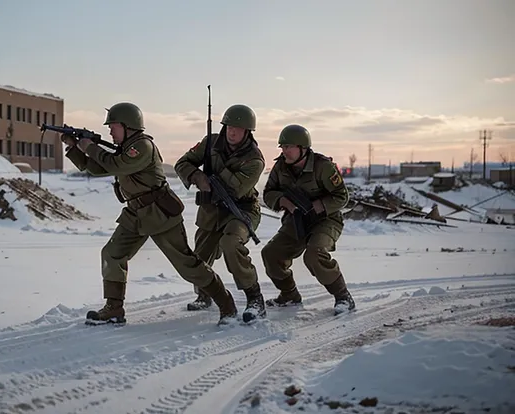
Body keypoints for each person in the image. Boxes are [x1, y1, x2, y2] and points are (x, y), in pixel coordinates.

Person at [62, 102, 238, 326]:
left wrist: (89, 146)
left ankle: (226, 303)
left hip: (160, 213)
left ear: (128, 126)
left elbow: (117, 166)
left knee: (187, 266)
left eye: (113, 127)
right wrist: (74, 147)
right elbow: (97, 168)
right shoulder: (125, 149)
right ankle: (114, 309)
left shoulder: (142, 147)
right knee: (112, 254)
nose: (110, 132)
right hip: (135, 213)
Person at [174, 104, 267, 323]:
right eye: (228, 126)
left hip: (240, 209)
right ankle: (204, 294)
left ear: (247, 131)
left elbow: (236, 189)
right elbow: (182, 163)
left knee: (231, 244)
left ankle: (255, 298)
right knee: (199, 258)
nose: (232, 132)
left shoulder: (254, 159)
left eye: (237, 128)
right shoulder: (210, 142)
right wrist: (198, 177)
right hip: (211, 209)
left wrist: (215, 172)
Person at [260, 124, 356, 315]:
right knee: (270, 253)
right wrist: (283, 201)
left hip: (326, 220)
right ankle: (289, 295)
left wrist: (319, 206)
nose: (284, 151)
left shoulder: (323, 166)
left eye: (289, 147)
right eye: (283, 147)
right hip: (296, 220)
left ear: (302, 148)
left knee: (314, 254)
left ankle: (343, 297)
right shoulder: (280, 167)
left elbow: (341, 197)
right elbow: (269, 193)